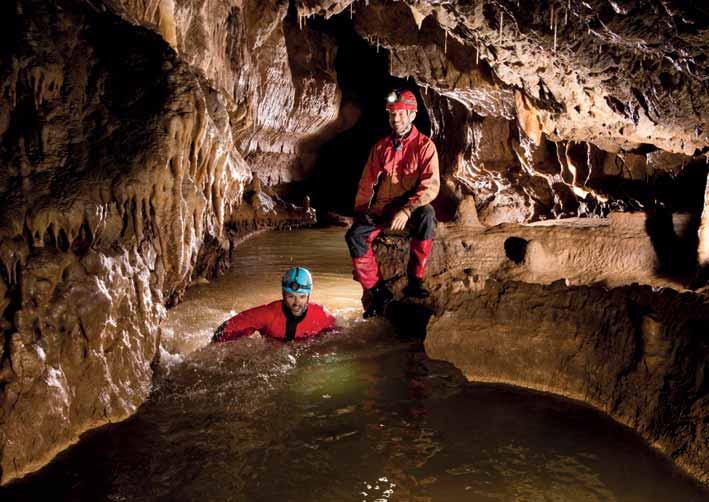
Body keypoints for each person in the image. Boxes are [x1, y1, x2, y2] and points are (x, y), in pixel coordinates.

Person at [345, 88, 440, 318]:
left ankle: (415, 279)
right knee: (354, 235)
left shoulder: (425, 146)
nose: (395, 119)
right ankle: (377, 290)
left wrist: (407, 210)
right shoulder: (381, 147)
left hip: (411, 208)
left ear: (412, 115)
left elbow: (431, 185)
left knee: (428, 215)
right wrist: (360, 213)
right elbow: (366, 182)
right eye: (391, 114)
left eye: (400, 114)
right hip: (383, 209)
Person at [211, 267, 336, 342]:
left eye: (302, 297)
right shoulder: (268, 313)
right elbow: (227, 328)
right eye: (291, 296)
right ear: (283, 294)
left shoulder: (321, 314)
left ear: (309, 296)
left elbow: (340, 333)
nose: (297, 303)